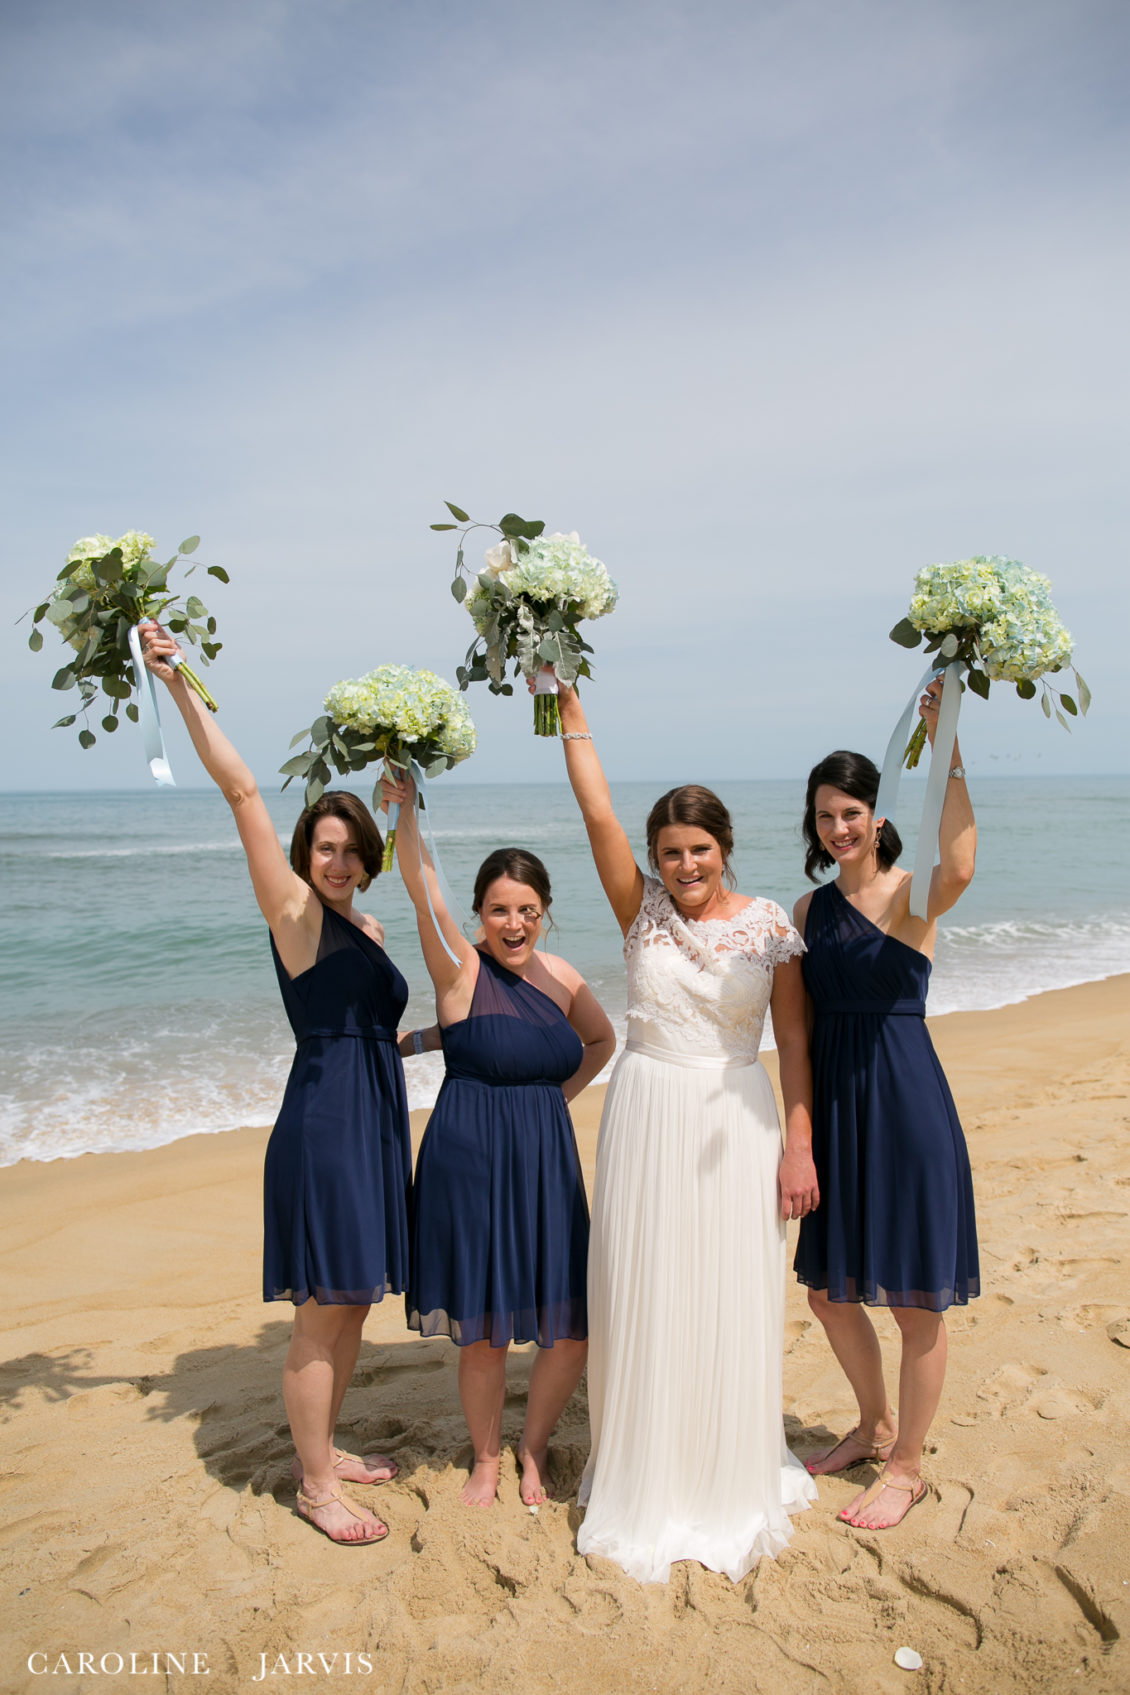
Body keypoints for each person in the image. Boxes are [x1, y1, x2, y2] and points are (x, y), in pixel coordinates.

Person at [141, 622, 411, 1546]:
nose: (335, 860)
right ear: (303, 854)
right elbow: (243, 787)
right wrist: (182, 682)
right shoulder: (295, 914)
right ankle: (314, 1485)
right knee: (321, 1309)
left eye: (349, 848)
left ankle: (325, 1447)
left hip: (375, 1115)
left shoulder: (369, 930)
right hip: (329, 1123)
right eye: (322, 846)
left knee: (351, 1302)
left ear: (367, 854)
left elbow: (370, 1027)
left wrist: (423, 1040)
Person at [549, 676, 819, 1583]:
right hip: (648, 1116)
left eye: (698, 849)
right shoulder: (643, 912)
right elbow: (597, 818)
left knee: (729, 1293)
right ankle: (650, 1469)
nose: (684, 865)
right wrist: (570, 711)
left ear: (724, 847)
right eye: (670, 851)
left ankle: (724, 1462)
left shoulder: (772, 926)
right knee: (646, 1290)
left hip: (736, 1122)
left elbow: (793, 1044)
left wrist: (799, 1143)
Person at [384, 770, 615, 1507]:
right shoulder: (458, 970)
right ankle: (486, 1456)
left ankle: (533, 1447)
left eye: (527, 910)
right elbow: (424, 888)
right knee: (483, 1327)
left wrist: (556, 1099)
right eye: (497, 910)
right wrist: (408, 811)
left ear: (545, 913)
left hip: (546, 1161)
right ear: (479, 915)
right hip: (471, 1157)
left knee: (568, 1327)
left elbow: (602, 1041)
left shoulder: (565, 977)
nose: (513, 923)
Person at [793, 683, 979, 1531]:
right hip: (836, 1108)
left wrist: (949, 752)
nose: (840, 826)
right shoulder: (807, 911)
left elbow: (964, 863)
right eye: (827, 814)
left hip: (904, 1106)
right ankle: (872, 1425)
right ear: (815, 824)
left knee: (914, 1300)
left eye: (853, 810)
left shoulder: (911, 893)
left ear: (876, 815)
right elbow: (792, 1025)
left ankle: (907, 1466)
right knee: (830, 1293)